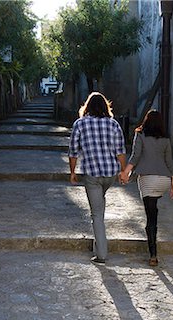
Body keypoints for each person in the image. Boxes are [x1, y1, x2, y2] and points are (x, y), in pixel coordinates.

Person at [68, 92, 126, 265]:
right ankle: (98, 244)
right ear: (105, 107)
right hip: (109, 174)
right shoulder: (114, 124)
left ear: (87, 107)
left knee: (97, 214)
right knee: (99, 205)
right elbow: (120, 151)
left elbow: (73, 151)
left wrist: (72, 172)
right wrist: (123, 171)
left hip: (92, 174)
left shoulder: (80, 124)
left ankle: (101, 254)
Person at [121, 109, 173, 267]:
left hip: (148, 180)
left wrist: (125, 172)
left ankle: (153, 255)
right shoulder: (165, 139)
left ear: (146, 121)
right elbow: (169, 162)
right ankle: (155, 213)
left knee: (150, 218)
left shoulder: (140, 135)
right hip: (164, 180)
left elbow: (136, 156)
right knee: (154, 209)